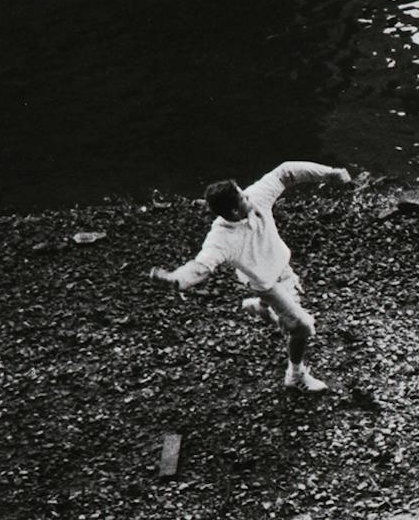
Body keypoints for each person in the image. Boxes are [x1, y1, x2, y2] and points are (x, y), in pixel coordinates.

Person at [151, 161, 353, 392]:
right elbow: (201, 266)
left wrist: (329, 174)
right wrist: (175, 279)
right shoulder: (220, 239)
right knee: (303, 327)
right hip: (265, 283)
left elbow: (286, 172)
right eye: (243, 198)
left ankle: (262, 308)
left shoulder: (255, 197)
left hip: (282, 267)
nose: (249, 196)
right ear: (235, 212)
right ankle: (295, 375)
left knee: (291, 321)